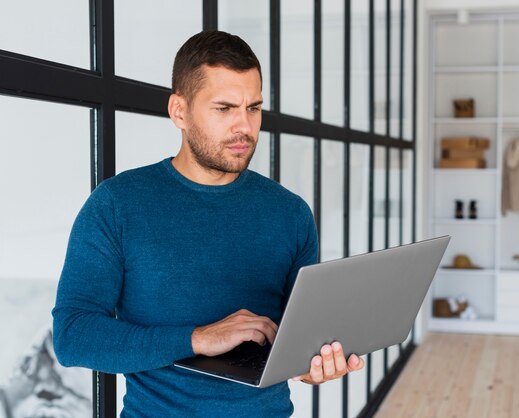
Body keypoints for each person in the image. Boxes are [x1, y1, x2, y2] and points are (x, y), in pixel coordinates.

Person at [52, 30, 364, 417]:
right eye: (224, 108)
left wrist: (316, 365)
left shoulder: (291, 213)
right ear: (179, 111)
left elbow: (298, 337)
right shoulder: (117, 204)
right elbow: (73, 336)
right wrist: (198, 338)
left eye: (253, 107)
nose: (245, 127)